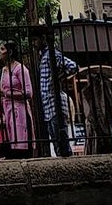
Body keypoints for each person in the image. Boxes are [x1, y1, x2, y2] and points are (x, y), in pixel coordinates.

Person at [33, 29, 77, 158]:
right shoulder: (43, 56)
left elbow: (73, 66)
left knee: (61, 140)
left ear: (43, 39)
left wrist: (59, 78)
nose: (34, 43)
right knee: (56, 140)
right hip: (48, 104)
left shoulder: (52, 54)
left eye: (36, 40)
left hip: (55, 101)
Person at [0, 39, 34, 158]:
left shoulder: (20, 69)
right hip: (7, 109)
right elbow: (1, 89)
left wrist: (8, 93)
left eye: (2, 49)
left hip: (19, 110)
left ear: (10, 52)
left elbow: (29, 93)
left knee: (21, 140)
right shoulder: (4, 70)